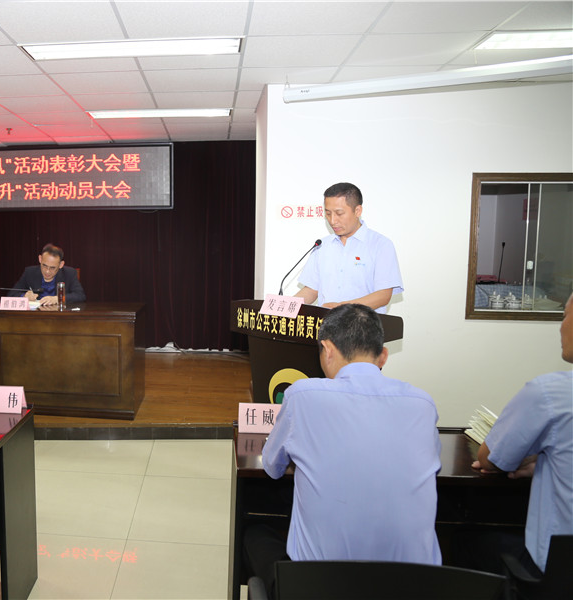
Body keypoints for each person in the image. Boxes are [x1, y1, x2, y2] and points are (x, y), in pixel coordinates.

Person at [245, 304, 440, 597]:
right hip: (413, 587)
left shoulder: (302, 395)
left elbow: (272, 466)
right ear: (383, 355)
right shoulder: (422, 404)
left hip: (319, 587)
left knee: (255, 533)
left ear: (327, 349)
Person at [465, 291, 573, 575]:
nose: (560, 327)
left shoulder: (549, 393)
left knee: (468, 541)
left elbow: (490, 459)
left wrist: (529, 459)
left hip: (556, 572)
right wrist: (544, 462)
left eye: (564, 316)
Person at [295, 182, 402, 313]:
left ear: (357, 211)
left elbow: (383, 295)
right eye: (328, 213)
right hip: (327, 324)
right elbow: (311, 290)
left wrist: (342, 307)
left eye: (339, 213)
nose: (332, 220)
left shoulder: (380, 245)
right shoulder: (322, 246)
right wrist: (284, 307)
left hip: (365, 323)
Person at [12, 243, 85, 306]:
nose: (47, 271)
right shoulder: (30, 272)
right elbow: (12, 293)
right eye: (44, 266)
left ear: (61, 264)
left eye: (52, 268)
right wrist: (24, 296)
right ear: (40, 259)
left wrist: (58, 299)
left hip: (58, 314)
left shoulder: (69, 273)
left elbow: (80, 295)